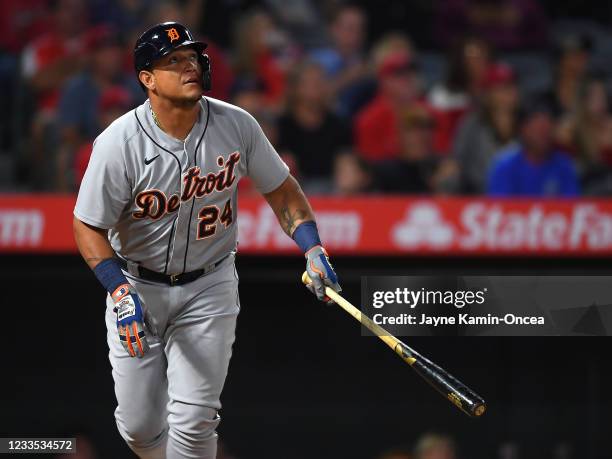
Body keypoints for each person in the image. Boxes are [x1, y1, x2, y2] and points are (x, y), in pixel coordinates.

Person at [72, 22, 341, 459]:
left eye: (192, 57)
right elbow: (87, 225)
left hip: (209, 285)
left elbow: (282, 189)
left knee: (195, 422)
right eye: (173, 61)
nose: (189, 66)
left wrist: (313, 248)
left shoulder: (236, 124)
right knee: (140, 428)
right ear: (147, 79)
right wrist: (118, 290)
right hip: (137, 287)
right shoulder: (118, 143)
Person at [487, 98, 579, 196]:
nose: (543, 135)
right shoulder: (504, 167)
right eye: (537, 129)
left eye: (547, 129)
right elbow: (499, 206)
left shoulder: (564, 165)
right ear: (522, 129)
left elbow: (573, 204)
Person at [452, 62, 520, 193]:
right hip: (478, 193)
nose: (510, 92)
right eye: (503, 87)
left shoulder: (526, 123)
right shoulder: (473, 124)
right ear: (489, 93)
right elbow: (457, 161)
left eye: (512, 85)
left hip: (520, 196)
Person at [354, 51, 423, 161]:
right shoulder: (369, 119)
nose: (407, 79)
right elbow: (371, 166)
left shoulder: (429, 112)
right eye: (399, 74)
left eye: (411, 72)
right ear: (384, 81)